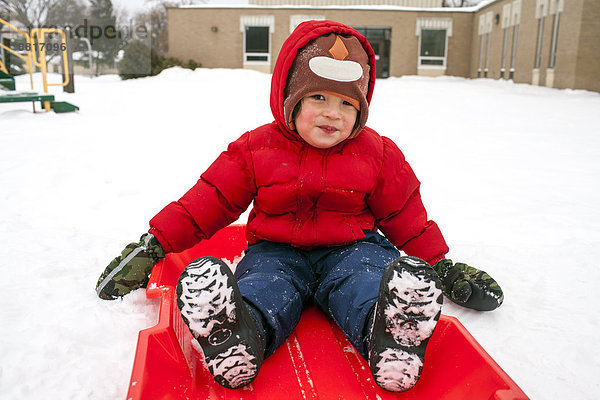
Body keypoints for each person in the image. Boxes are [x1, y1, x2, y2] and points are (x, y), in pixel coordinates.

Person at [95, 20, 504, 392]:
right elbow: (208, 200)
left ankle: (390, 335)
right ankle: (238, 334)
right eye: (319, 97)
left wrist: (442, 266)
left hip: (353, 248)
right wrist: (153, 246)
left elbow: (407, 217)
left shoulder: (376, 153)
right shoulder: (257, 148)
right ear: (289, 97)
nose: (332, 113)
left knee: (363, 285)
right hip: (275, 250)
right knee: (264, 289)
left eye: (348, 104)